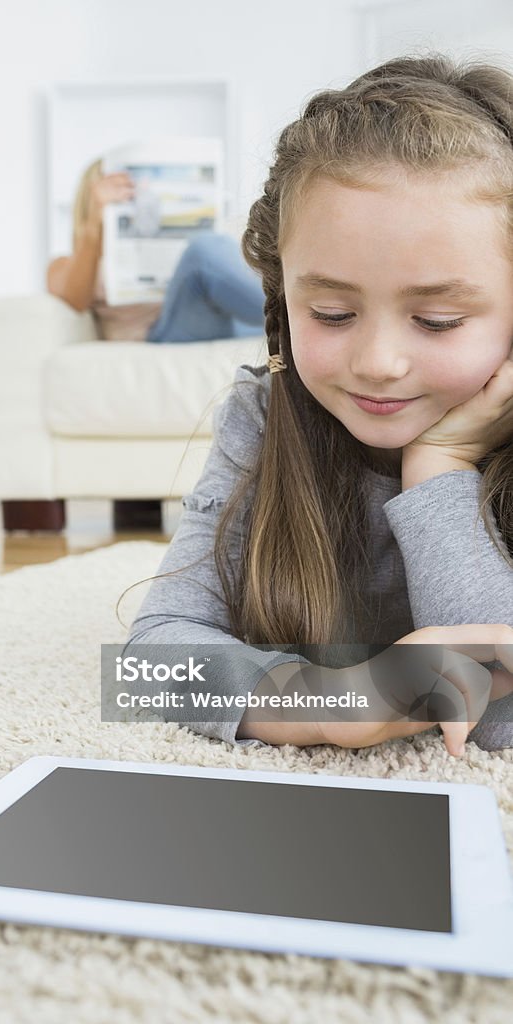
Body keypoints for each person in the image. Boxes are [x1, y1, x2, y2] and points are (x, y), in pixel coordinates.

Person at [120, 51, 513, 757]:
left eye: (437, 322)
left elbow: (499, 720)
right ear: (278, 299)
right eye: (331, 312)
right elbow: (149, 664)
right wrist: (328, 703)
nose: (377, 364)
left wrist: (442, 469)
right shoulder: (264, 413)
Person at [45, 158, 266, 343]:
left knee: (215, 244)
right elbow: (74, 300)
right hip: (162, 331)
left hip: (220, 316)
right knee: (203, 248)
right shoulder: (65, 264)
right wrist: (94, 222)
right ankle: (284, 310)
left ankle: (284, 319)